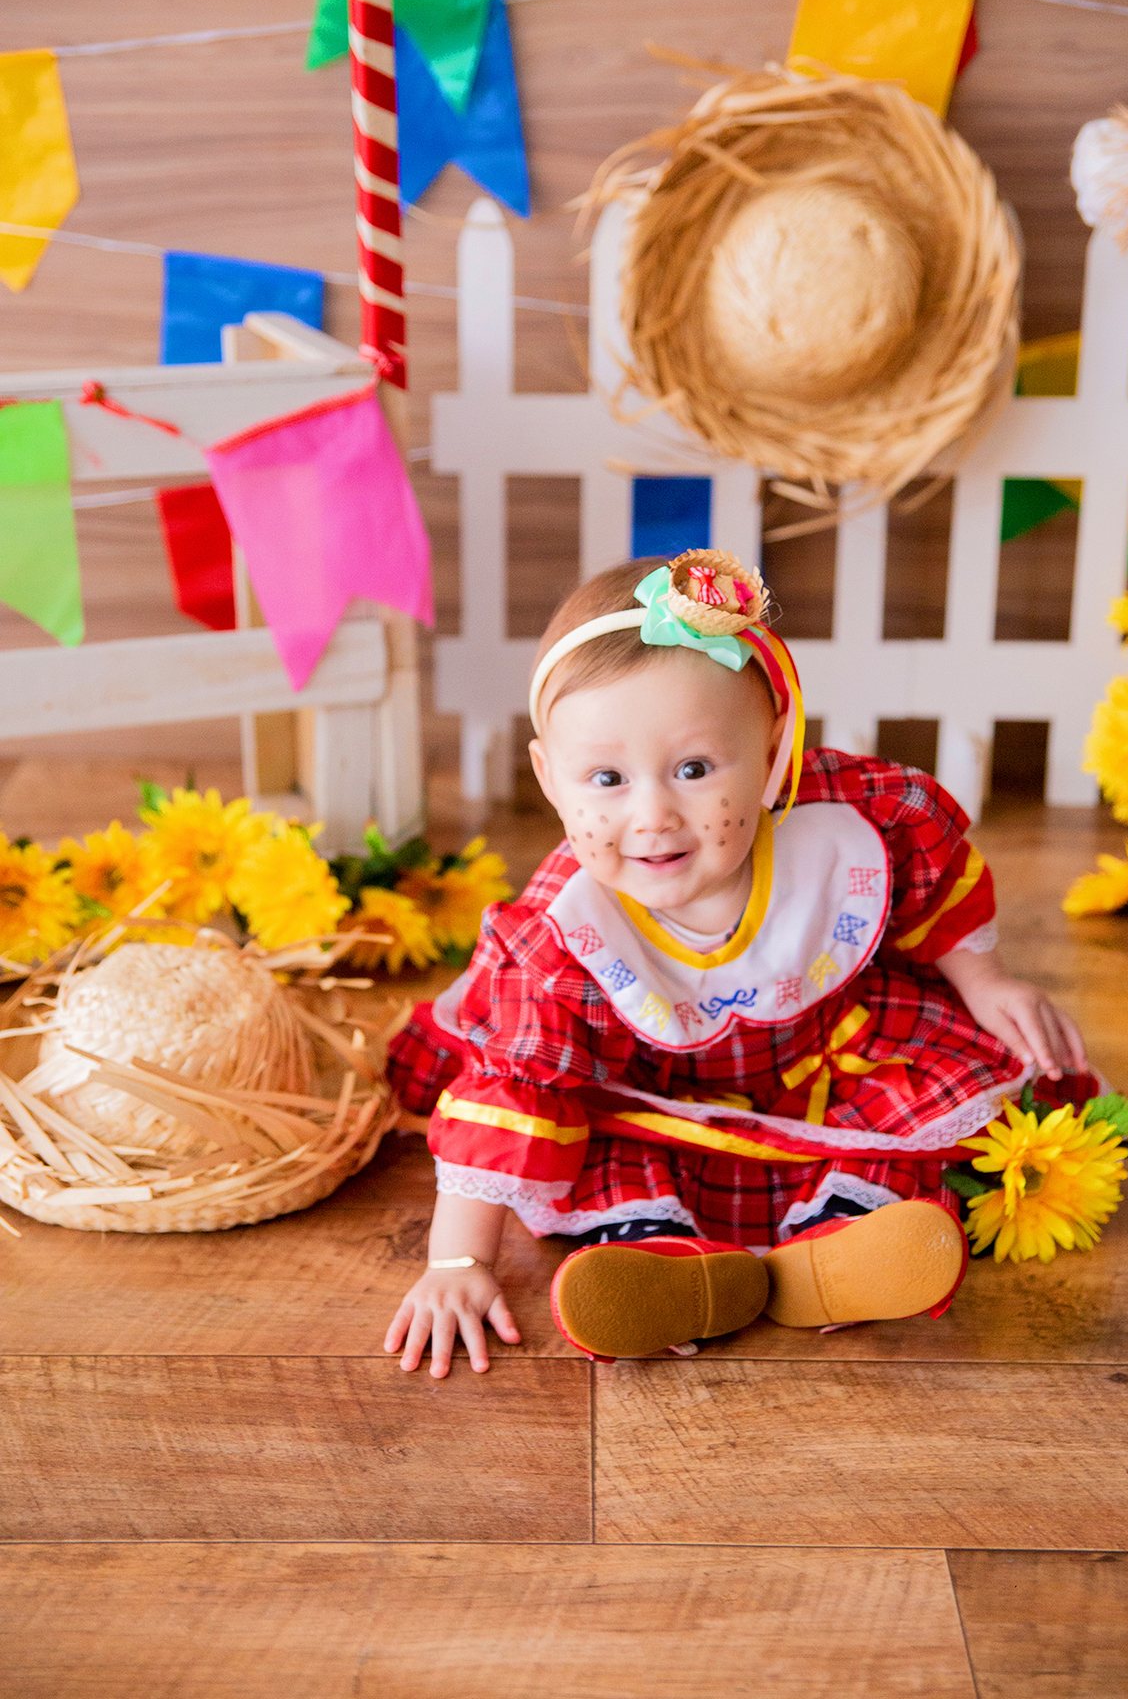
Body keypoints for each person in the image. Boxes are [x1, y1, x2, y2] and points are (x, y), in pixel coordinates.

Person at [383, 552, 1092, 1375]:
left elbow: (931, 886)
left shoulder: (843, 824)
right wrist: (458, 1265)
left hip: (825, 1055)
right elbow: (519, 1087)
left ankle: (837, 1252)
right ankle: (667, 1266)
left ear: (771, 748)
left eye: (693, 769)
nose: (653, 816)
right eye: (606, 779)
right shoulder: (561, 933)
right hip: (652, 1089)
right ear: (550, 778)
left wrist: (985, 979)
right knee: (612, 1162)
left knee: (920, 1104)